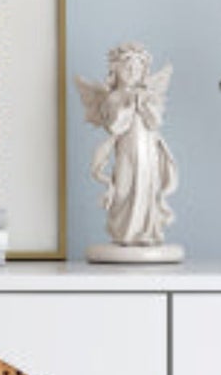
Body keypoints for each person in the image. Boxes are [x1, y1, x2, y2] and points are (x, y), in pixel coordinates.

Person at [76, 42, 178, 247]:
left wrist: (143, 103)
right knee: (124, 190)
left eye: (138, 67)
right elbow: (115, 126)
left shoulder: (147, 96)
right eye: (127, 66)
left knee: (147, 188)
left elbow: (155, 122)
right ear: (115, 69)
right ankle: (124, 232)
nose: (133, 71)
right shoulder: (114, 97)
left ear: (144, 71)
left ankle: (145, 232)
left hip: (148, 150)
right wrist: (130, 104)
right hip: (126, 151)